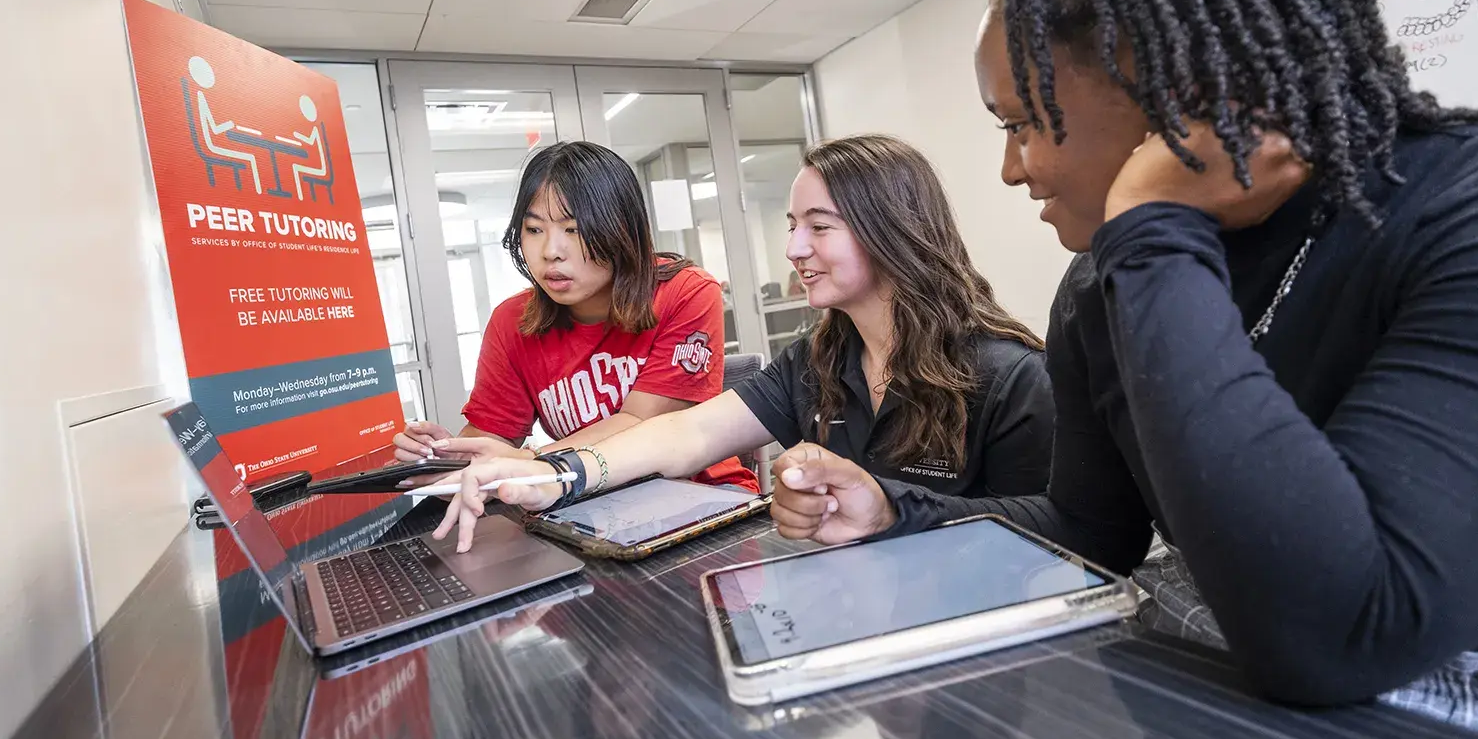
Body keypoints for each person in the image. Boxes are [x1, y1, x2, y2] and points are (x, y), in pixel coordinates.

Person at [762, 0, 1478, 715]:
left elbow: (1342, 631)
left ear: (1185, 98)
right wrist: (893, 510)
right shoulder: (1105, 280)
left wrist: (1147, 219)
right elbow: (1095, 531)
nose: (1012, 170)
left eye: (1023, 123)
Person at [430, 134, 1053, 549]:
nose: (793, 249)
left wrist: (892, 506)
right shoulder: (817, 362)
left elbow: (1079, 533)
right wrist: (560, 475)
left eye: (818, 227)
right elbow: (688, 433)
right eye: (791, 227)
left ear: (892, 232)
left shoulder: (1011, 376)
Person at [392, 140, 755, 491]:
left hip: (702, 496)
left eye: (573, 230)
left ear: (621, 230)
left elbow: (642, 423)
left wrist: (527, 464)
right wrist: (443, 457)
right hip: (589, 506)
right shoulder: (512, 322)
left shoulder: (686, 292)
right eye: (534, 230)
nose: (551, 251)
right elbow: (492, 436)